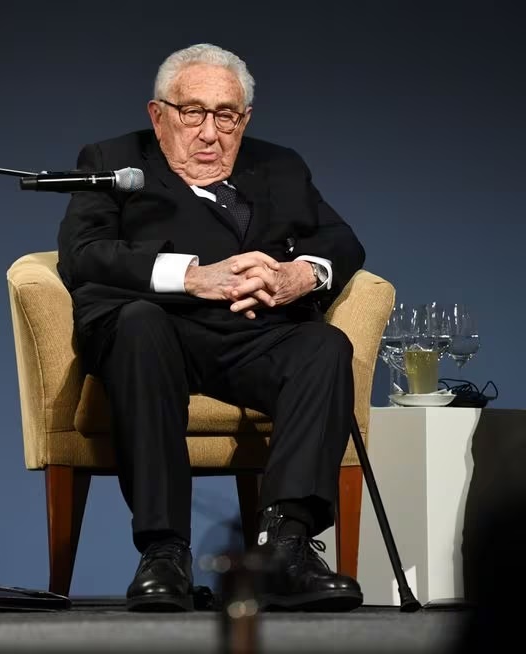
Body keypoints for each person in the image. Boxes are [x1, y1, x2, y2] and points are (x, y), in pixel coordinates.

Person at [56, 43, 366, 613]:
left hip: (252, 333)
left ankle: (286, 548)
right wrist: (192, 276)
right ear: (159, 115)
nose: (209, 133)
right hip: (152, 329)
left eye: (225, 115)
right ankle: (163, 551)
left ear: (243, 119)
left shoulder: (280, 165)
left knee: (324, 344)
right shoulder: (113, 159)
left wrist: (302, 274)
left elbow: (342, 241)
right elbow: (84, 254)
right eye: (192, 112)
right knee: (141, 326)